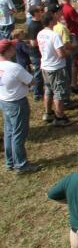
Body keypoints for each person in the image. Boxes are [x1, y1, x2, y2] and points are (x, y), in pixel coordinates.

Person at [0, 37, 37, 172]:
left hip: (4, 101)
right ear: (8, 50)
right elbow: (31, 81)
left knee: (9, 132)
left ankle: (10, 161)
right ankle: (21, 164)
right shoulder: (14, 67)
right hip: (17, 102)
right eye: (12, 47)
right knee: (18, 134)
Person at [38, 10, 70, 126]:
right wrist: (68, 52)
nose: (57, 18)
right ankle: (60, 117)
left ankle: (48, 113)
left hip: (45, 66)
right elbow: (61, 53)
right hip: (56, 67)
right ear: (51, 21)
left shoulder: (40, 33)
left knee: (48, 90)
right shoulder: (54, 35)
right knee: (59, 92)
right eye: (54, 17)